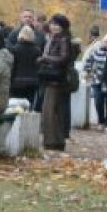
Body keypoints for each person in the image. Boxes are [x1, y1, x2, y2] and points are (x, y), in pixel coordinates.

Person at [39, 14, 73, 151]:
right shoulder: (53, 38)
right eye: (52, 24)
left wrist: (45, 58)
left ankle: (52, 141)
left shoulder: (63, 39)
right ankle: (55, 140)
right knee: (54, 110)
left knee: (50, 110)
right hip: (52, 77)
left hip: (56, 78)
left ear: (63, 27)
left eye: (57, 24)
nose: (54, 27)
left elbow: (64, 58)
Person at [85, 34, 107, 129]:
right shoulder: (96, 51)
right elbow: (89, 61)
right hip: (97, 80)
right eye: (106, 42)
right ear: (103, 42)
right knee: (98, 101)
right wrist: (88, 71)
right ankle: (101, 121)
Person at [9, 25, 41, 108]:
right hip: (33, 81)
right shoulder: (37, 50)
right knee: (30, 104)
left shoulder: (15, 49)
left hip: (17, 81)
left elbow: (13, 66)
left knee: (17, 105)